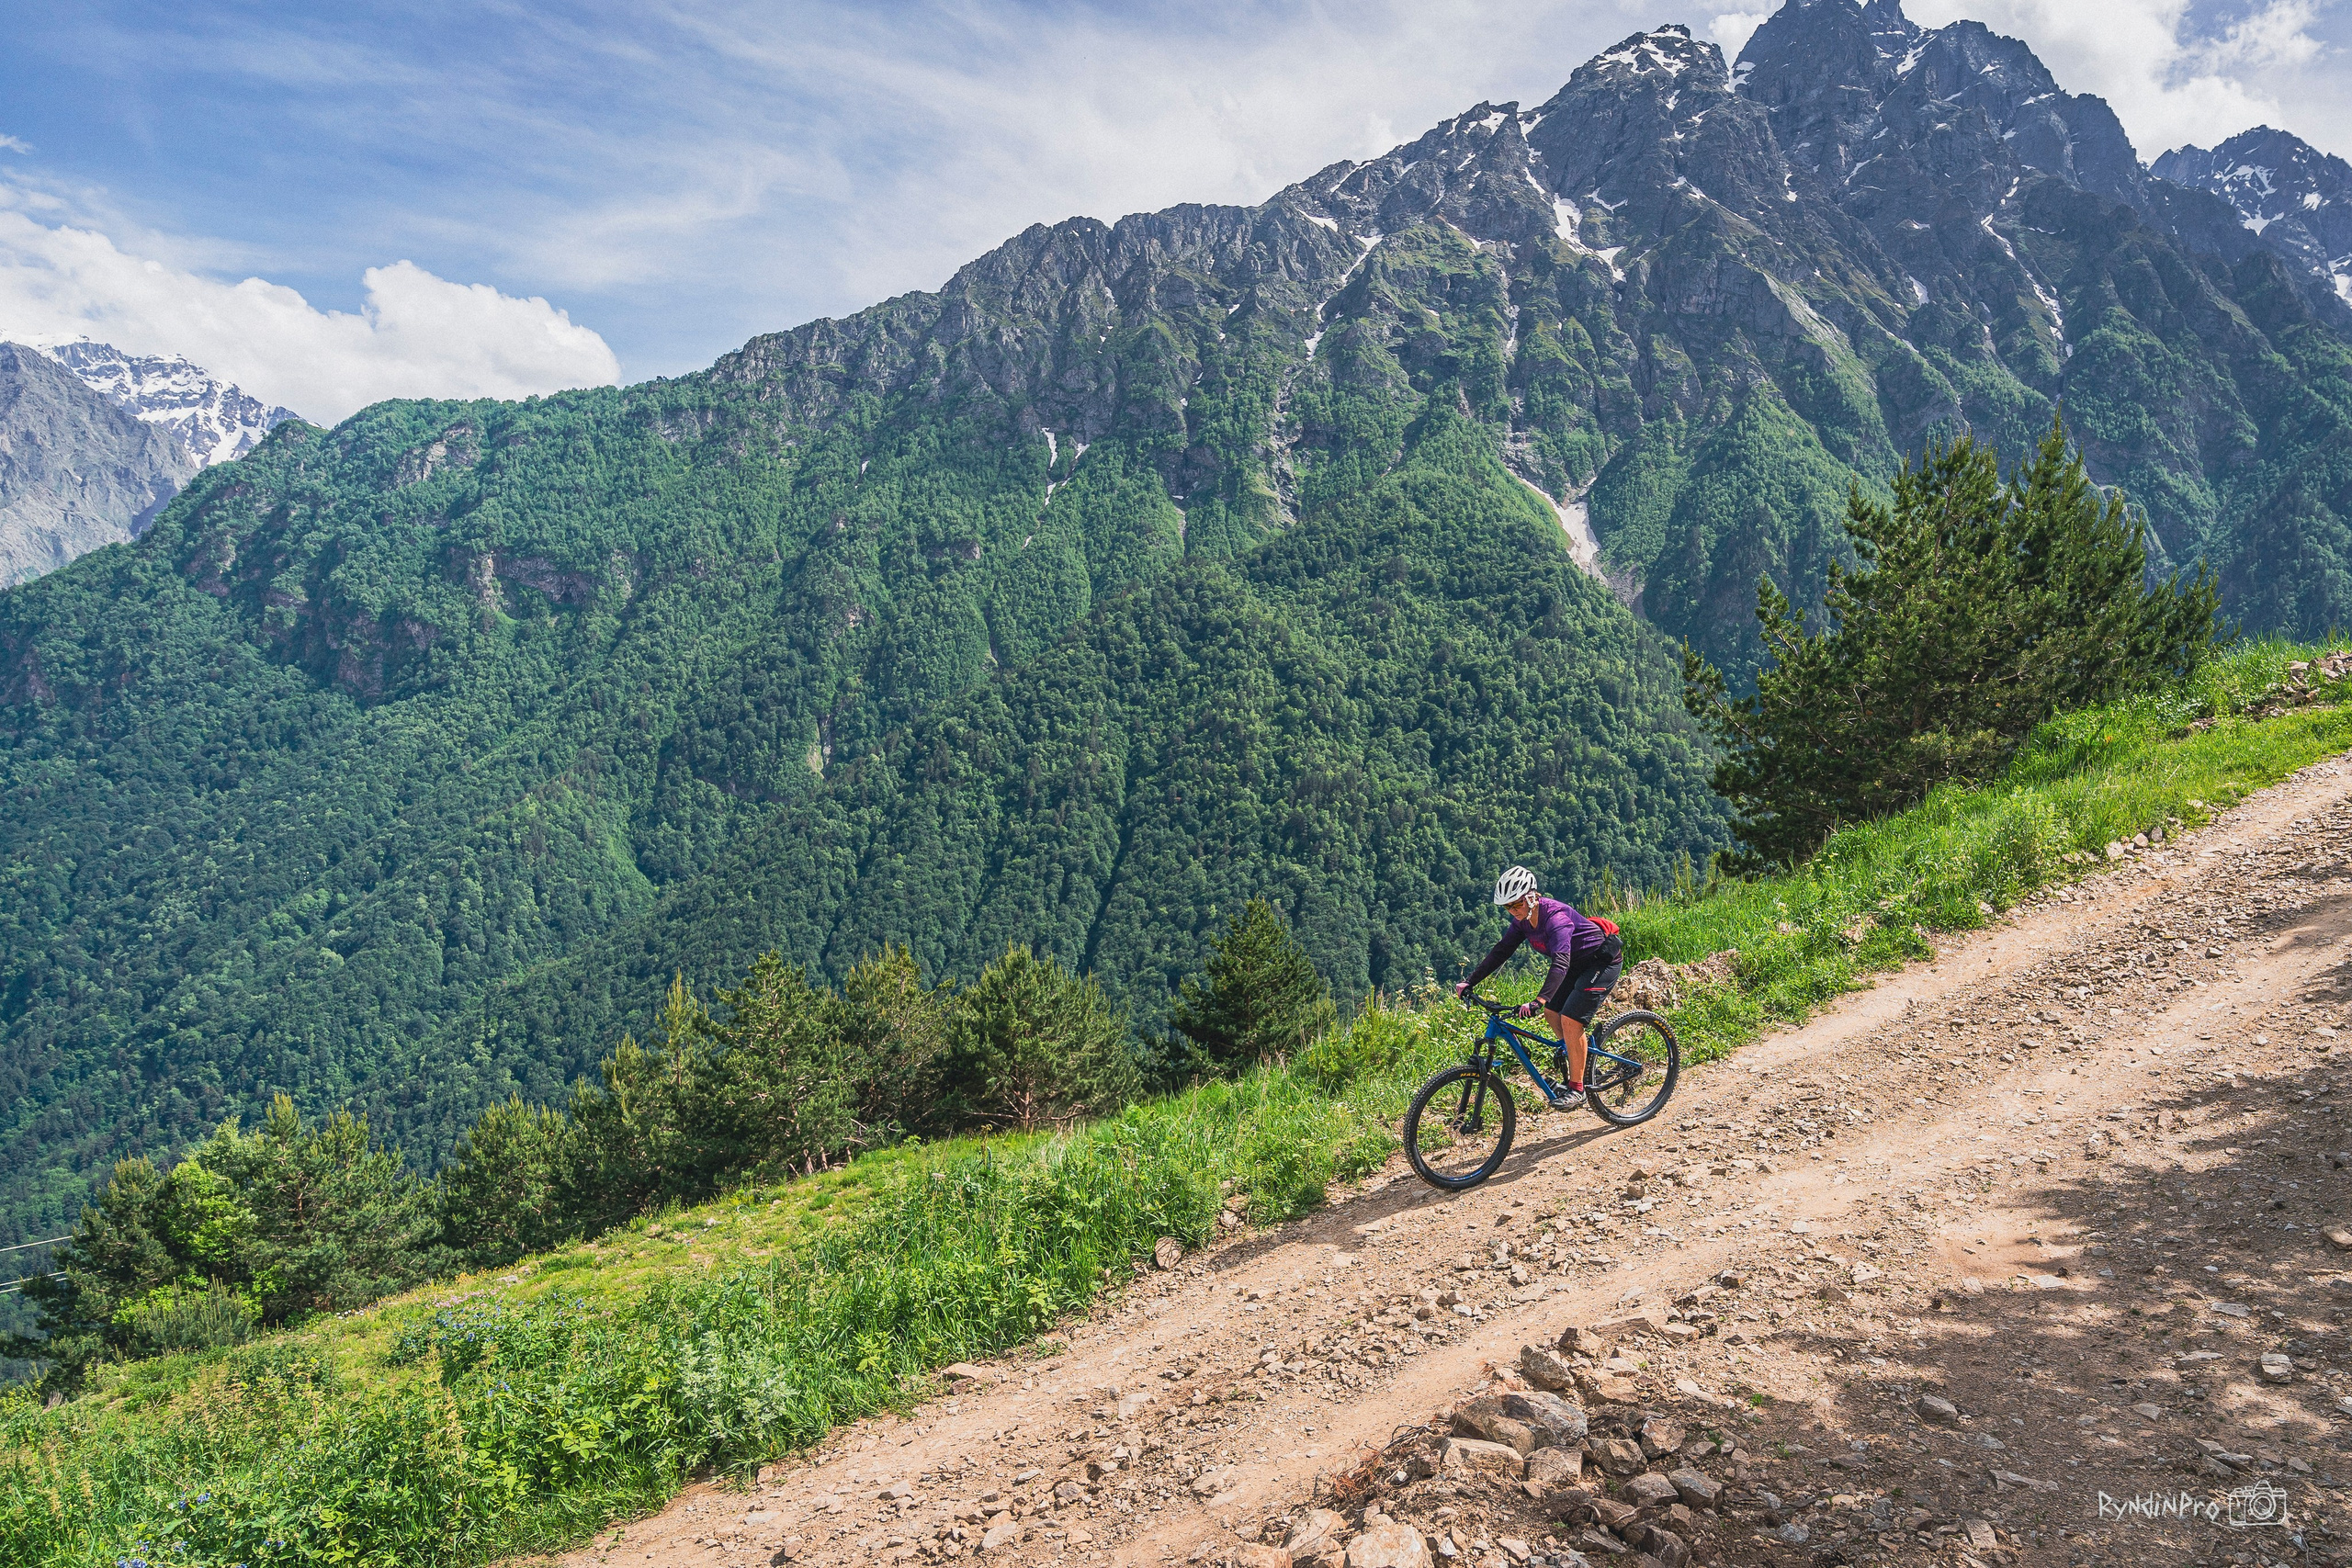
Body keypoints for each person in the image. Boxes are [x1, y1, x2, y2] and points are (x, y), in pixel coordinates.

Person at [1453, 864, 1623, 1109]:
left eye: (1516, 904)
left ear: (1532, 896)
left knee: (1570, 1021)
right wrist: (1470, 980)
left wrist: (1540, 998)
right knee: (1552, 1013)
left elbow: (1561, 961)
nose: (1512, 911)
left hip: (1601, 963)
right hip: (1577, 964)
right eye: (1507, 907)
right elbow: (1502, 950)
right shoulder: (1523, 921)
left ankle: (1578, 1088)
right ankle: (1576, 1056)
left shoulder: (1556, 919)